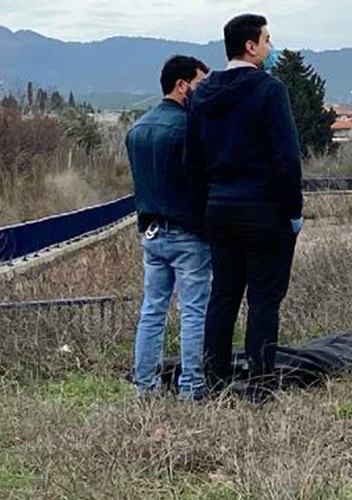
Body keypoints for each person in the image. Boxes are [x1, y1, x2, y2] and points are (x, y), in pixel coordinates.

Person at [185, 14, 303, 404]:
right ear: (251, 46)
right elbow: (287, 157)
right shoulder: (270, 91)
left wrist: (206, 205)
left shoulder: (202, 95)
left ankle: (215, 381)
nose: (271, 48)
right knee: (264, 300)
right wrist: (293, 210)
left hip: (219, 209)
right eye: (267, 41)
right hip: (265, 210)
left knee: (223, 296)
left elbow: (192, 160)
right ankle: (261, 384)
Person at [126, 55, 212, 400]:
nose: (203, 91)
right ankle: (192, 386)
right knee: (193, 311)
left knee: (153, 310)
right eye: (200, 84)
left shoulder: (137, 130)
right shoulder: (190, 128)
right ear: (182, 85)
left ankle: (144, 386)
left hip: (151, 232)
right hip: (188, 232)